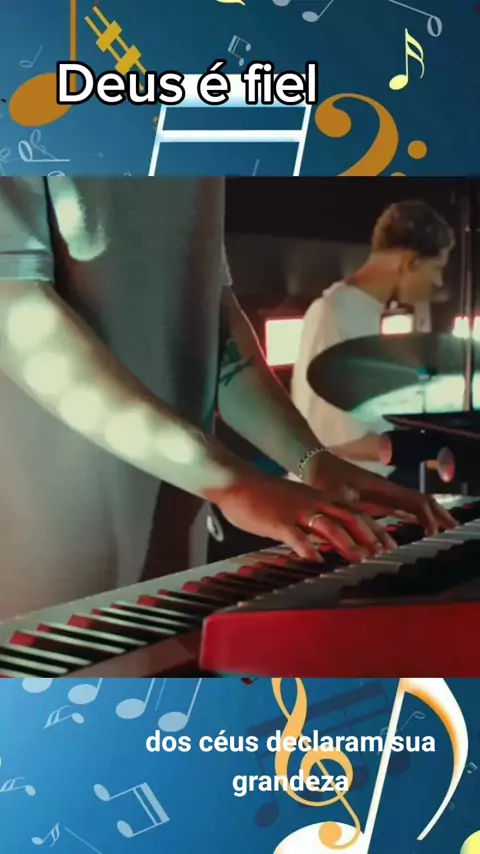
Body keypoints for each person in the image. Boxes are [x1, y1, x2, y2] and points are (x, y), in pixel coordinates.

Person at [0, 179, 454, 619]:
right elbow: (16, 312)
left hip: (177, 544)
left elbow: (212, 324)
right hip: (55, 566)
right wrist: (229, 479)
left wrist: (314, 461)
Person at [291, 199, 454, 478]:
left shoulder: (363, 312)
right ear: (411, 262)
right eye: (436, 268)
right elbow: (334, 439)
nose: (438, 282)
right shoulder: (334, 314)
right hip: (337, 495)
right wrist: (432, 451)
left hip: (365, 486)